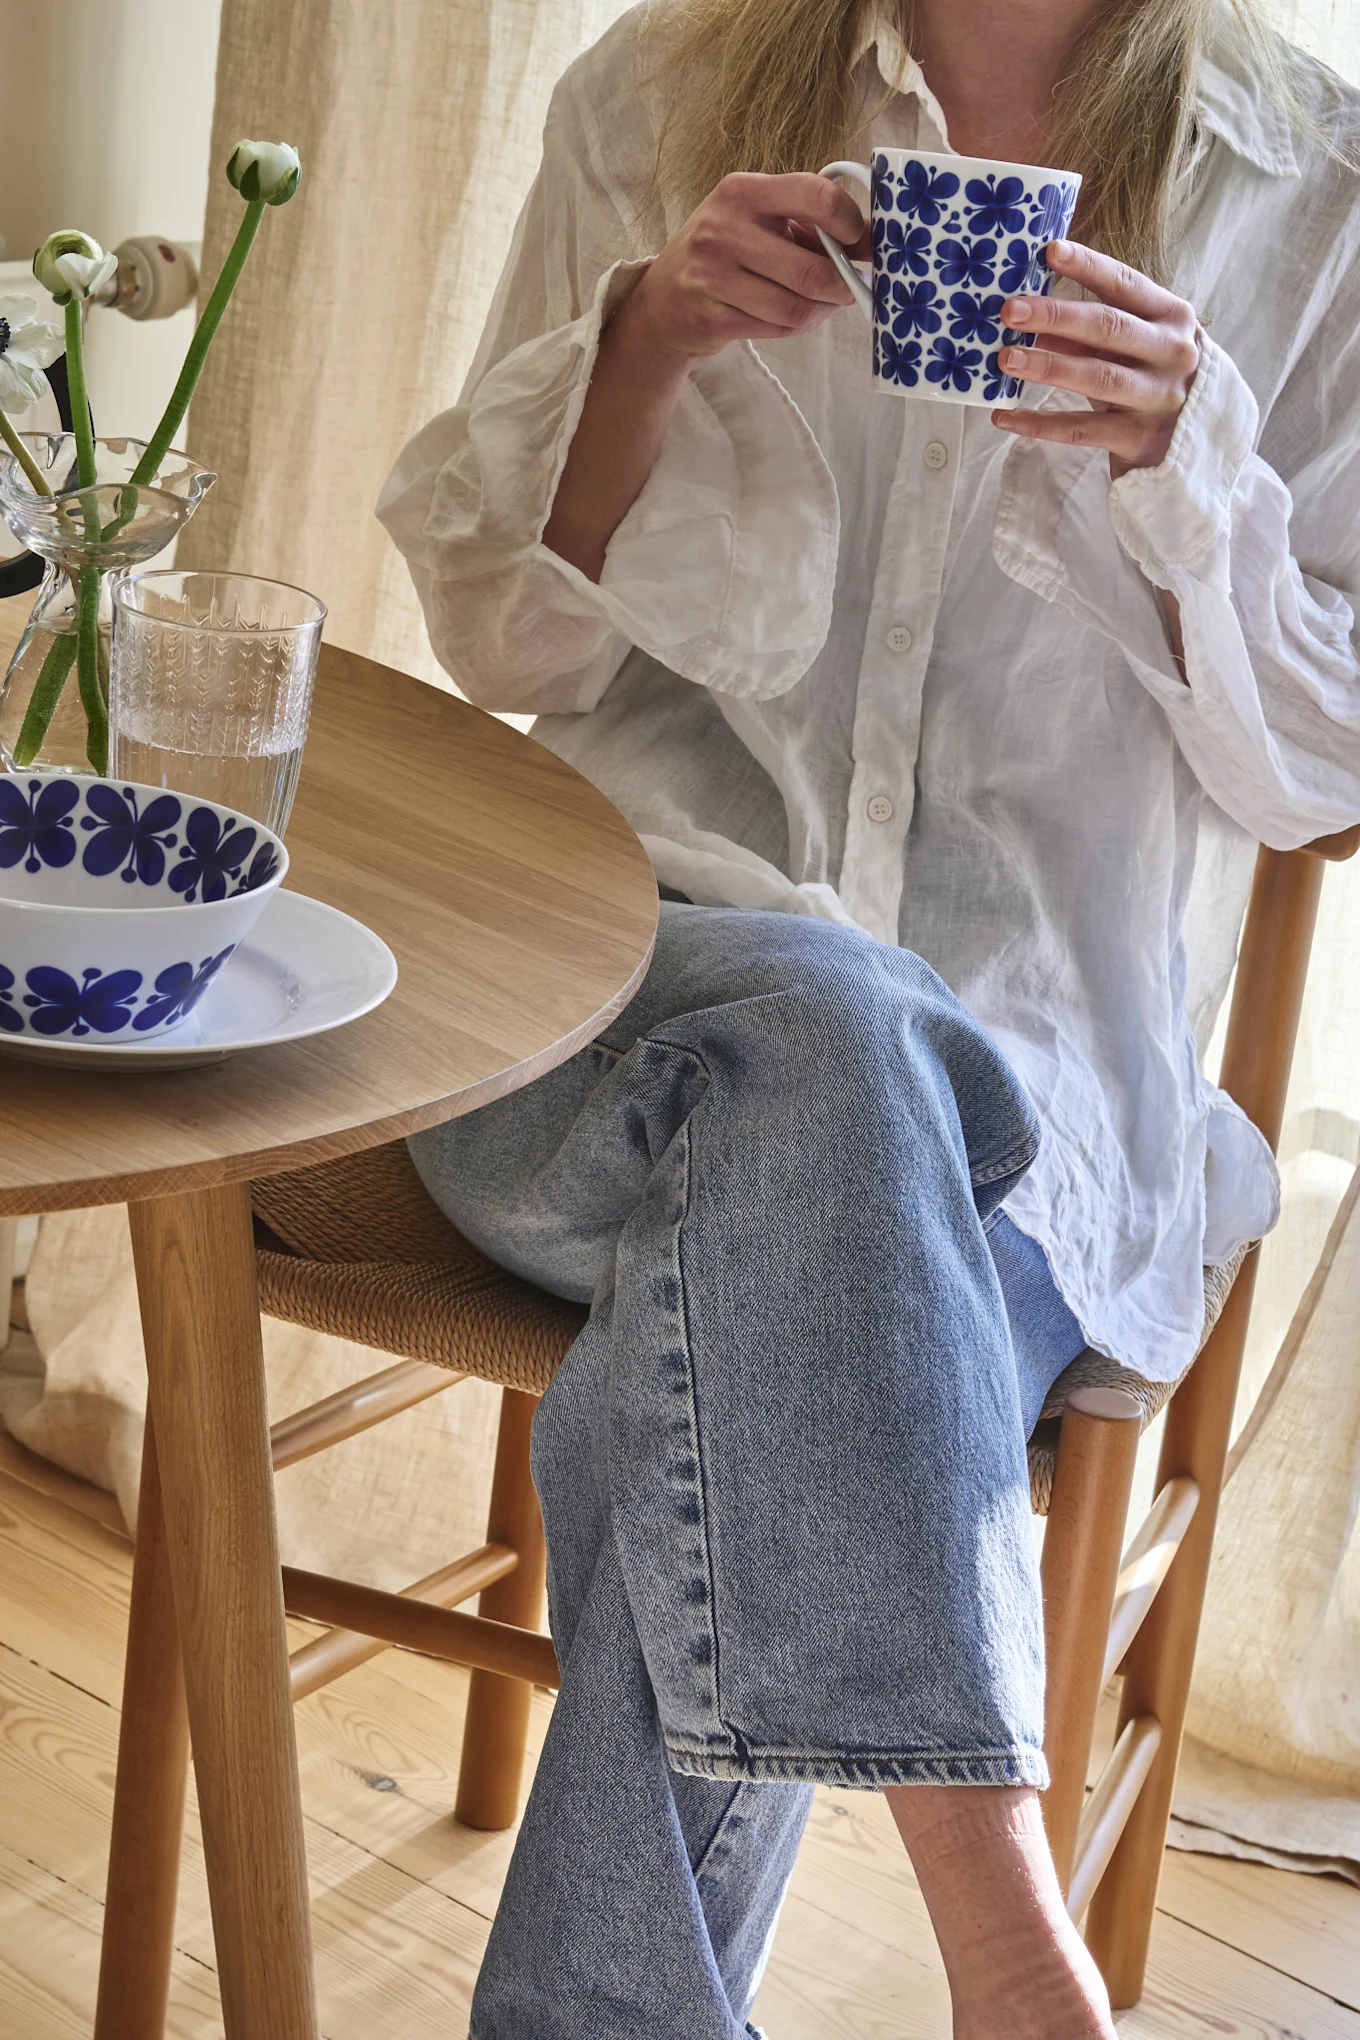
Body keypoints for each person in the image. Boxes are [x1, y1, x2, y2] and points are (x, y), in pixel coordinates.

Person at [379, 0, 1360, 2032]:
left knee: (770, 1254)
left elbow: (1318, 774)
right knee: (819, 1029)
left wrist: (1187, 482)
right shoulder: (652, 95)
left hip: (1018, 1123)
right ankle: (994, 1904)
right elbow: (498, 647)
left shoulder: (1320, 191)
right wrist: (644, 339)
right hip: (605, 1002)